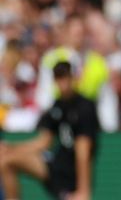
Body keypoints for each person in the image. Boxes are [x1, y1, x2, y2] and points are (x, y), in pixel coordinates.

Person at [0, 61, 100, 200]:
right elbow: (44, 142)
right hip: (55, 166)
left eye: (65, 77)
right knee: (5, 160)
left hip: (71, 175)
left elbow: (83, 151)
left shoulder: (84, 107)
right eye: (58, 78)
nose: (62, 82)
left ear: (73, 77)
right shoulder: (57, 106)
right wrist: (11, 149)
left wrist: (83, 191)